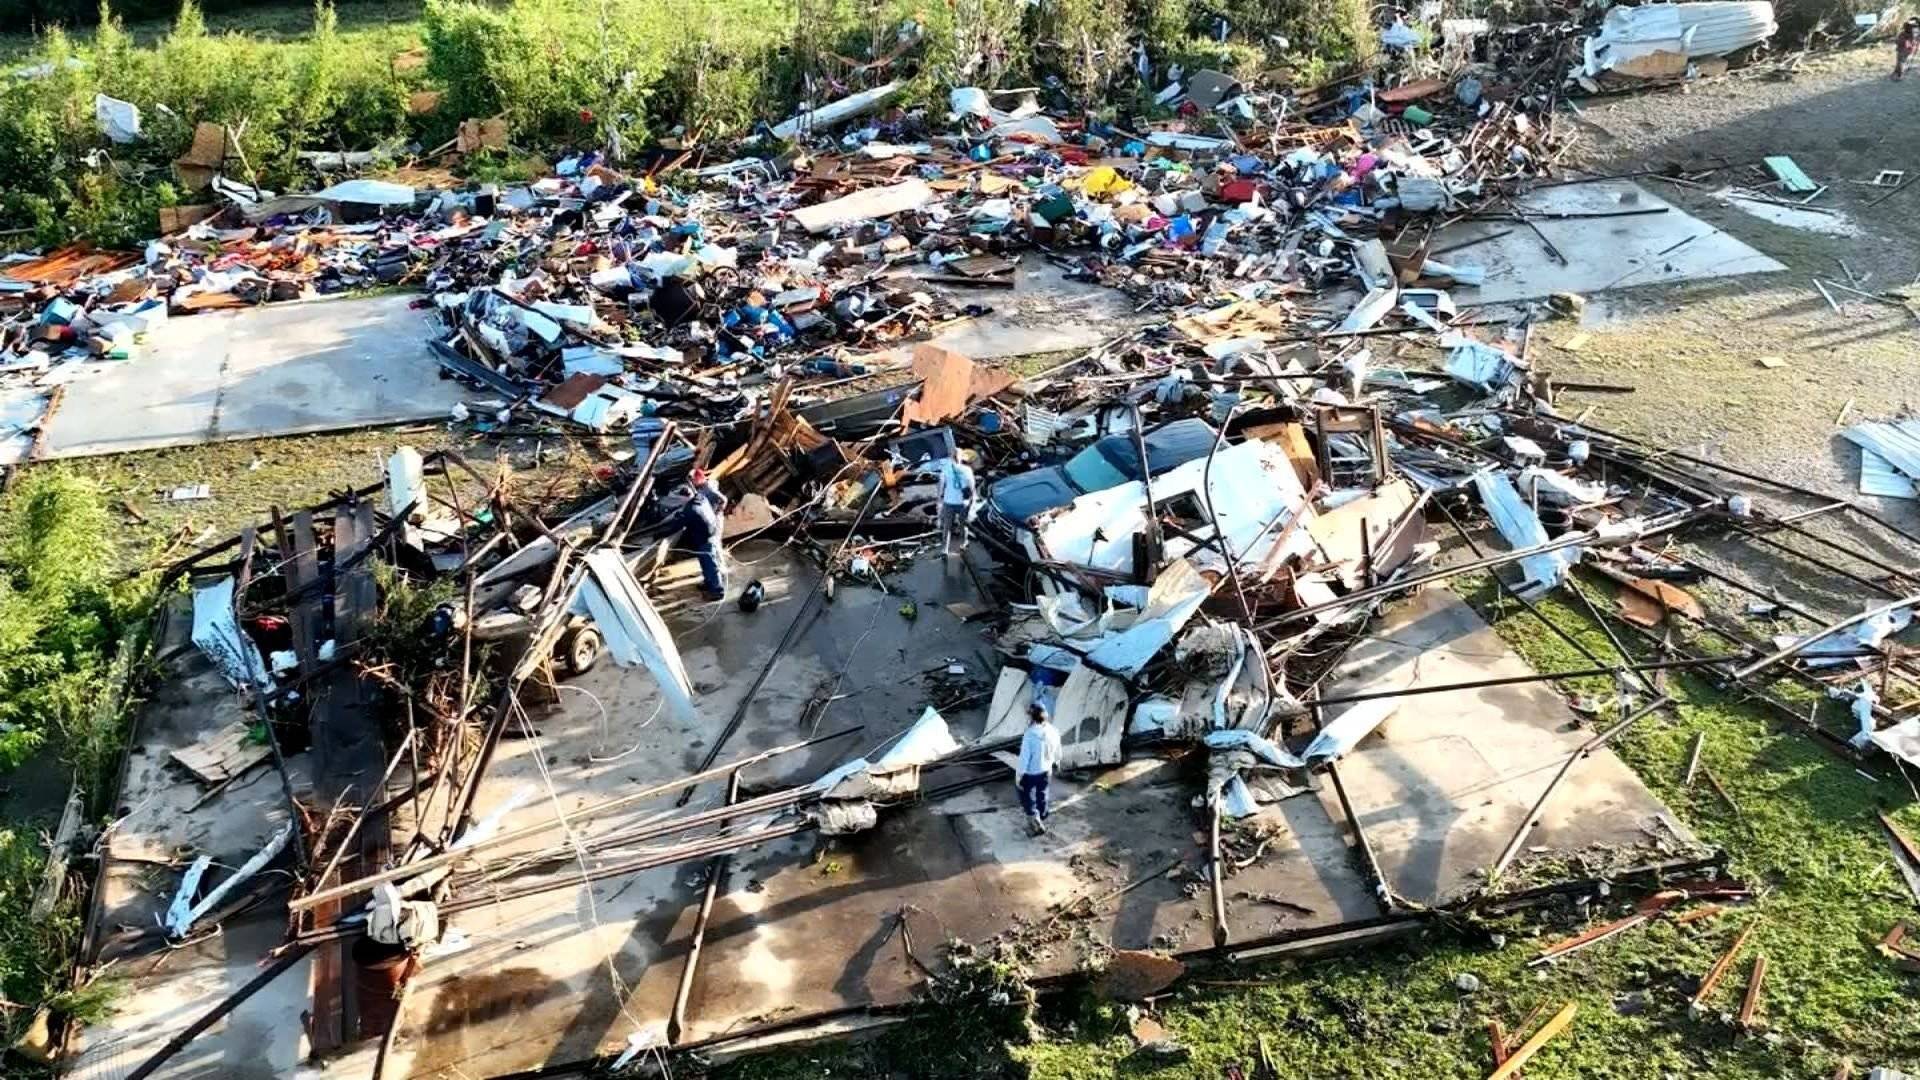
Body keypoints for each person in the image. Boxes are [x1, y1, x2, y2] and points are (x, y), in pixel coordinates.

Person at [1016, 703, 1061, 835]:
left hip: (1031, 772)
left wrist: (1019, 775)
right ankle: (1043, 814)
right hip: (1046, 770)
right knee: (1042, 792)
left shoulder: (1029, 735)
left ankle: (1034, 818)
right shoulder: (1053, 730)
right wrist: (1057, 761)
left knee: (1024, 794)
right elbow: (1058, 749)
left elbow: (1024, 758)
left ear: (1031, 718)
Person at [678, 481, 726, 600]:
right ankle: (708, 582)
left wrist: (661, 533)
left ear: (685, 498)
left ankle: (717, 591)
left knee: (710, 564)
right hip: (709, 532)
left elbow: (679, 524)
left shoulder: (691, 509)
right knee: (705, 562)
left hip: (705, 538)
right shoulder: (701, 498)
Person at [935, 452, 976, 556]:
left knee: (947, 526)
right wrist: (972, 500)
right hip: (963, 502)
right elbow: (972, 486)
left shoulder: (945, 469)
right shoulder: (967, 470)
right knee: (963, 524)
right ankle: (963, 543)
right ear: (961, 458)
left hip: (949, 502)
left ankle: (945, 549)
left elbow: (941, 485)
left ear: (951, 458)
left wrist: (939, 500)